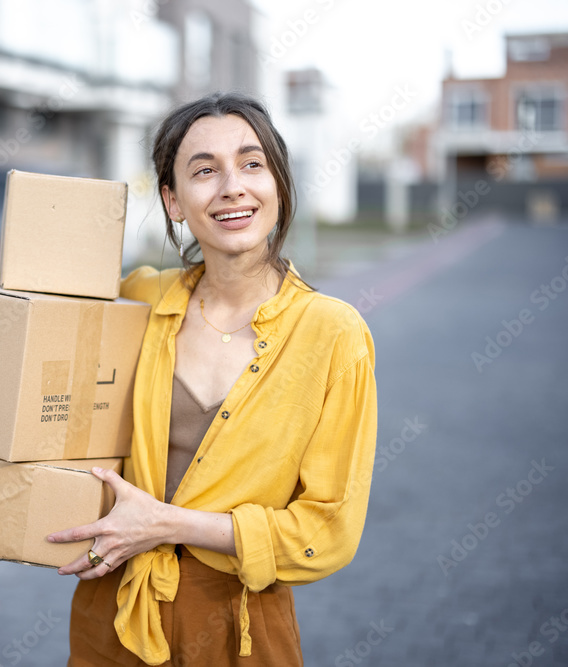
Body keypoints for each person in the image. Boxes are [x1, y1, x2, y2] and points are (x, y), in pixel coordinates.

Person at [47, 91, 379, 666]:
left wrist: (163, 524)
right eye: (205, 171)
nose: (232, 186)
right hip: (118, 610)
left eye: (252, 164)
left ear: (278, 185)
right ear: (173, 201)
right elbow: (40, 364)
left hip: (238, 626)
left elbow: (326, 532)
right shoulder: (140, 300)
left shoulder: (332, 334)